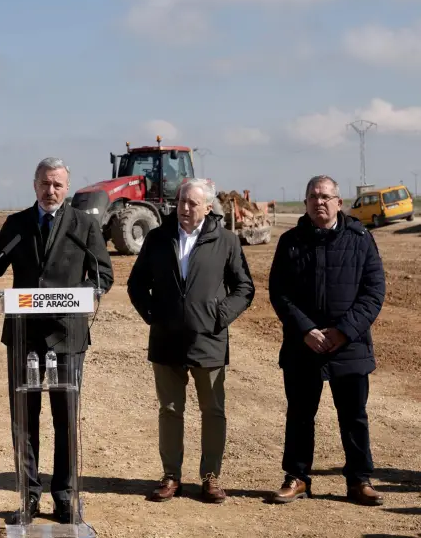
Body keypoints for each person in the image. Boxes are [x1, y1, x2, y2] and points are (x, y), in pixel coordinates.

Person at [0, 157, 113, 524]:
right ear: (34, 185)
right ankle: (29, 497)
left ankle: (66, 498)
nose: (50, 190)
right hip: (24, 337)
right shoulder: (17, 224)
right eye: (44, 183)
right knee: (25, 420)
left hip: (67, 337)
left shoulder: (84, 225)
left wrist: (85, 294)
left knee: (66, 419)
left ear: (66, 187)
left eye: (57, 184)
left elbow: (103, 273)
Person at [127, 178, 255, 503]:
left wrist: (219, 316)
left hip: (208, 341)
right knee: (169, 410)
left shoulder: (226, 241)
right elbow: (136, 285)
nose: (184, 208)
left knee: (213, 410)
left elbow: (244, 288)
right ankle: (171, 476)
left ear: (208, 207)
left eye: (192, 203)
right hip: (166, 341)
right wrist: (154, 315)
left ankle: (211, 476)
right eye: (182, 201)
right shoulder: (158, 238)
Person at [267, 175, 385, 506]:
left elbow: (374, 291)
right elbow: (279, 292)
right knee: (300, 415)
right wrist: (305, 330)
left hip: (350, 345)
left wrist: (344, 330)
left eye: (325, 196)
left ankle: (359, 480)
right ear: (305, 203)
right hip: (303, 346)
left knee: (354, 415)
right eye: (313, 197)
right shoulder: (290, 241)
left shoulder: (361, 239)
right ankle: (297, 477)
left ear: (339, 202)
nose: (319, 201)